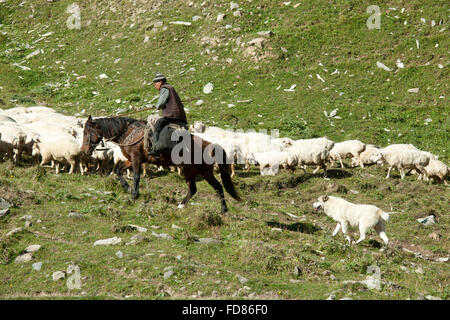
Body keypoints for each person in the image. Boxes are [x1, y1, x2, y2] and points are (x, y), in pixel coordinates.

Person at [147, 73, 187, 158]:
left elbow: (161, 102)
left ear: (160, 82)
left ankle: (155, 148)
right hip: (179, 116)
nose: (155, 86)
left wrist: (157, 106)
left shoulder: (164, 88)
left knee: (158, 124)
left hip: (172, 116)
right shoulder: (171, 88)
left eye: (155, 83)